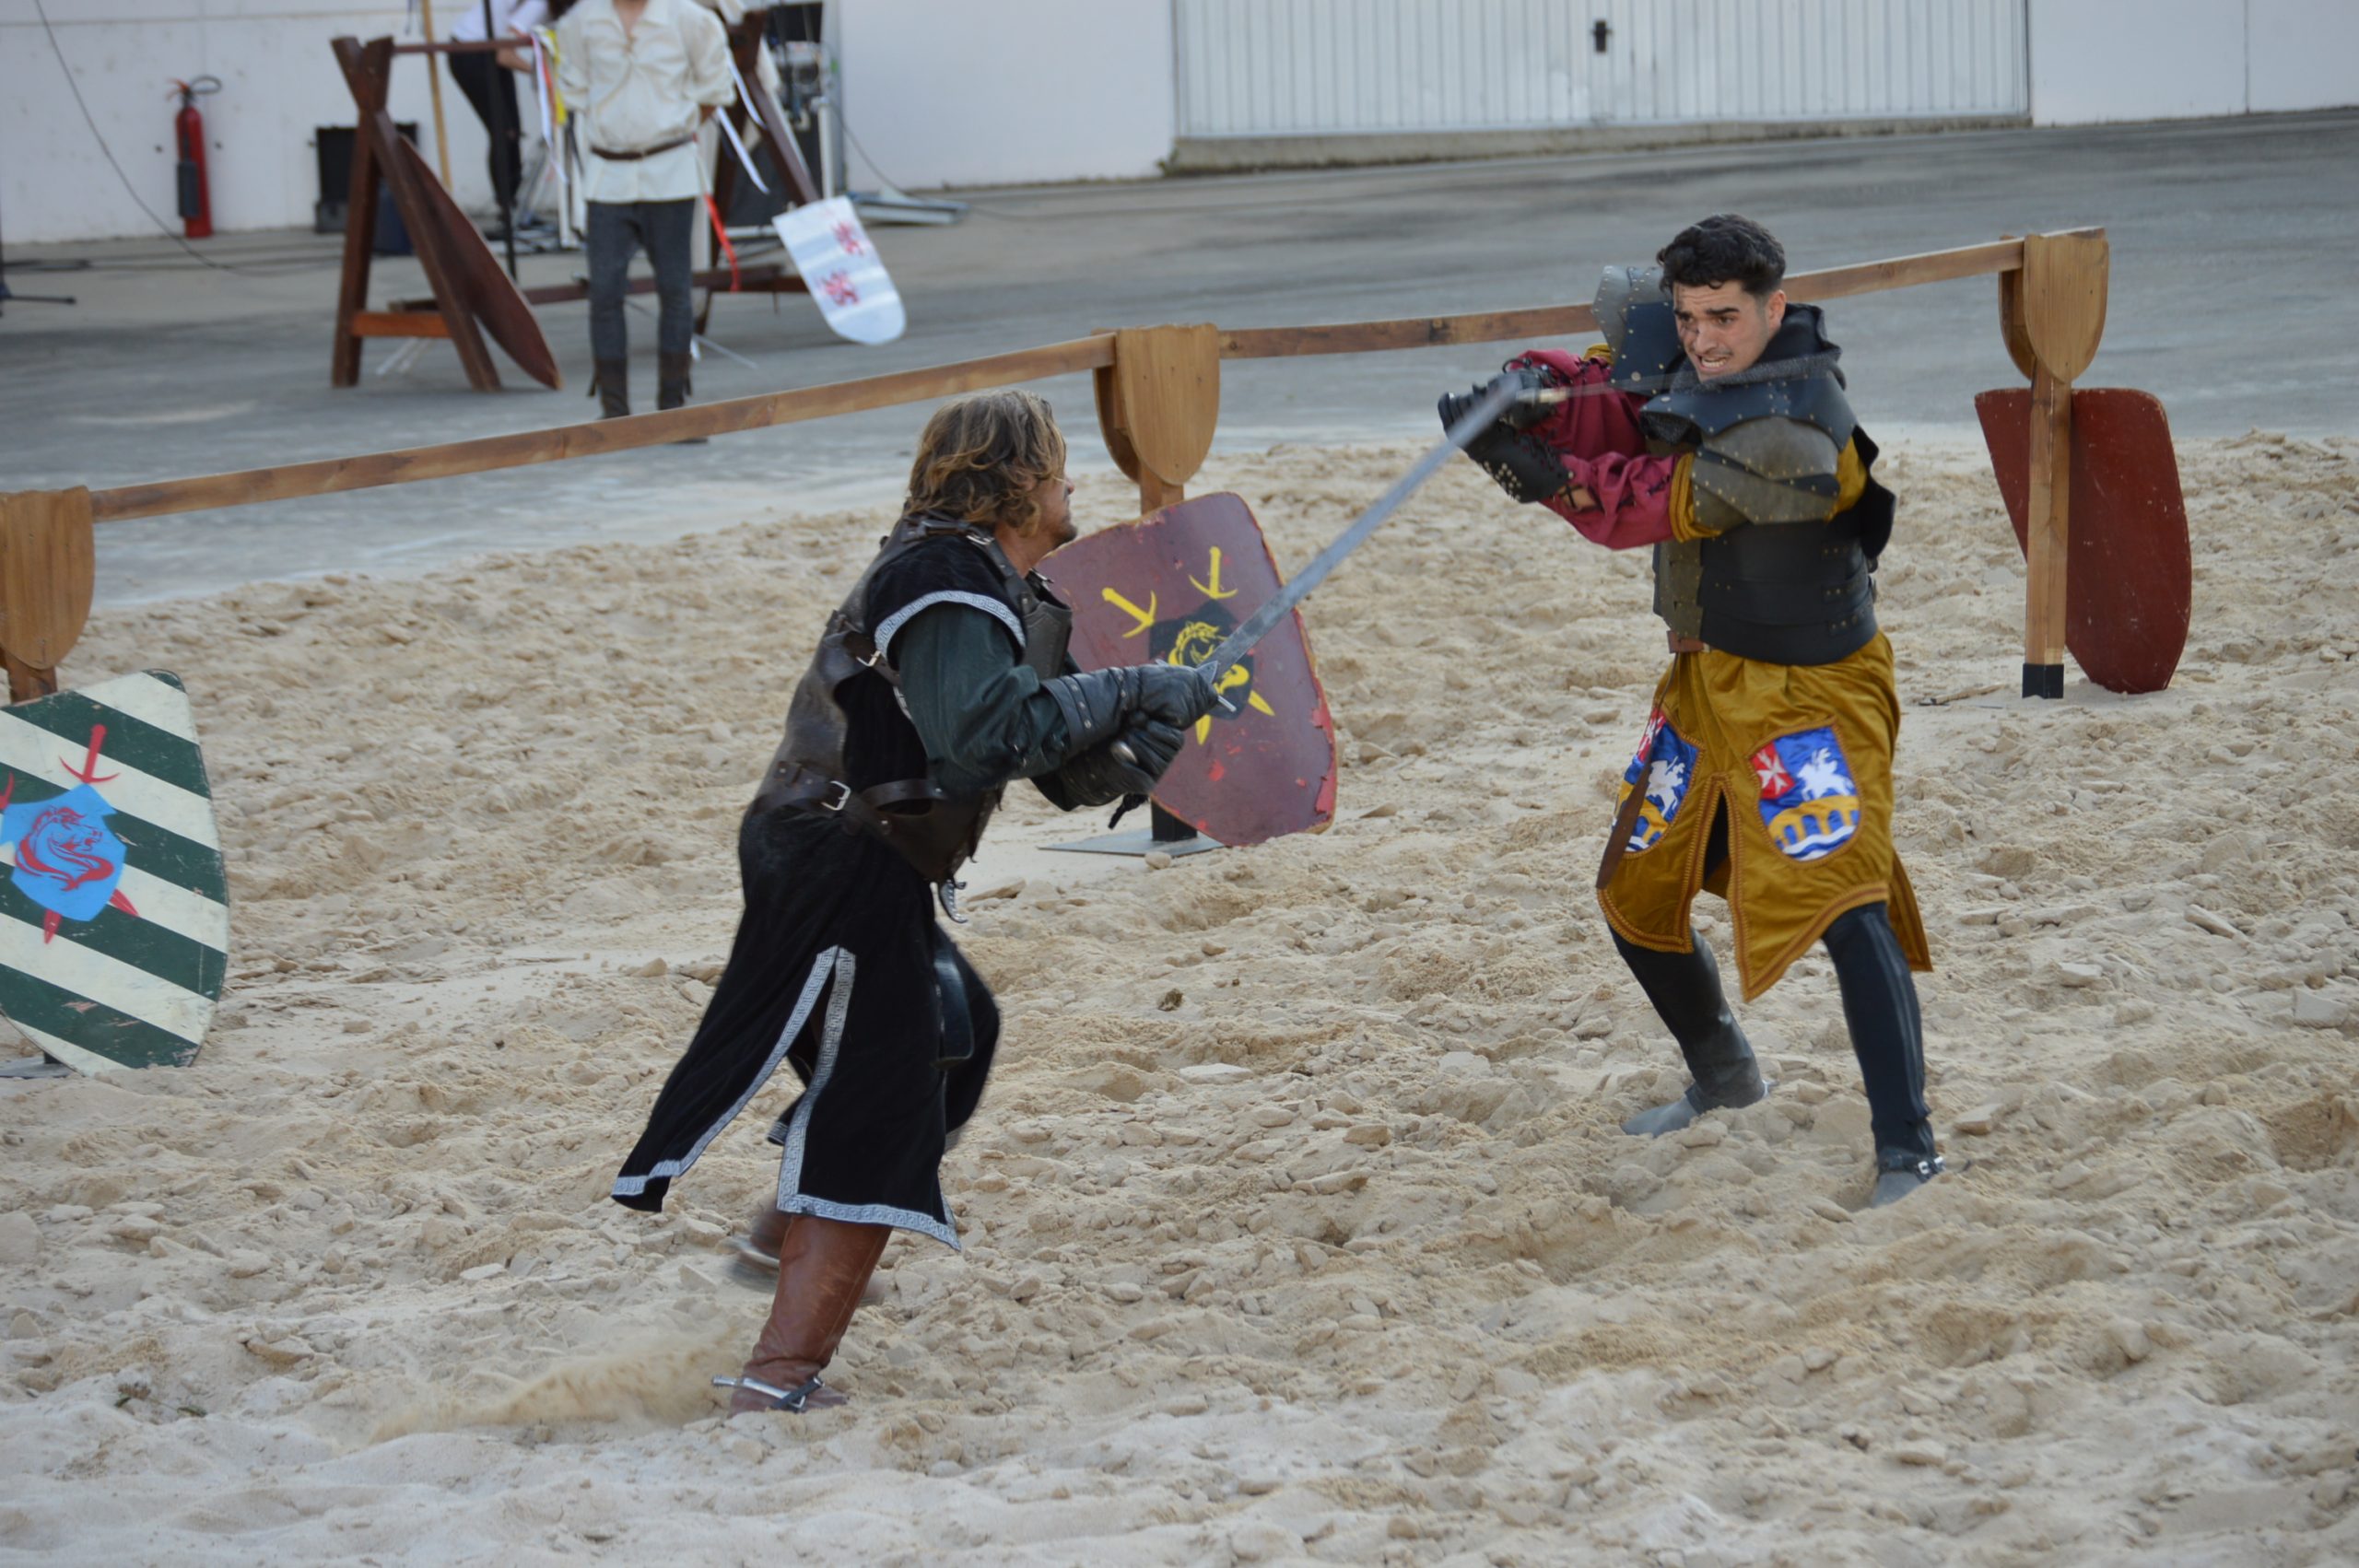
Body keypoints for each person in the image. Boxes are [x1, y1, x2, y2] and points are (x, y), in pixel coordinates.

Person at [612, 392, 1222, 1412]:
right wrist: (1131, 689)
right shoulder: (939, 578)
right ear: (1017, 481)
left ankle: (780, 1233)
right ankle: (776, 1381)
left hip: (868, 860)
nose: (1074, 487)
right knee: (890, 1097)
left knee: (960, 1029)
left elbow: (1054, 760)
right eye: (1061, 469)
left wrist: (1146, 739)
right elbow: (986, 734)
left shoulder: (1003, 587)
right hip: (833, 855)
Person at [1438, 214, 1944, 1207]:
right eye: (1687, 316)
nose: (1703, 339)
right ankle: (1722, 1076)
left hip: (1811, 701)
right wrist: (1521, 387)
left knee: (1845, 905)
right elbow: (1611, 398)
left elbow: (1637, 501)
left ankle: (1907, 1147)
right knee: (1635, 891)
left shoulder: (1796, 437)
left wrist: (1534, 472)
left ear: (1774, 309)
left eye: (1724, 317)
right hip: (1707, 684)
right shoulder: (1691, 356)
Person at [555, 0, 733, 418]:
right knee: (604, 291)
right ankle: (613, 408)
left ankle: (672, 404)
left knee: (675, 288)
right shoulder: (581, 21)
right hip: (607, 173)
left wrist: (675, 123)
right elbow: (574, 90)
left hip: (669, 168)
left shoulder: (691, 18)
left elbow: (715, 88)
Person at [446, 1, 547, 240]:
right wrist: (545, 73)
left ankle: (516, 208)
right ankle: (508, 210)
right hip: (471, 52)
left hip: (489, 50)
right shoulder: (541, 4)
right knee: (503, 132)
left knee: (512, 131)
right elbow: (506, 56)